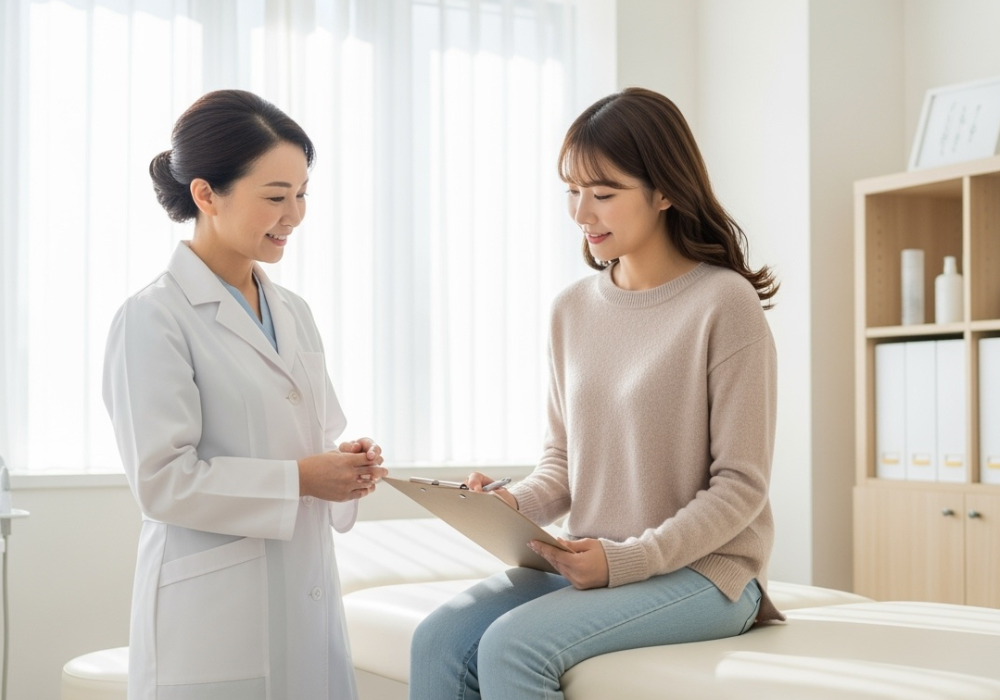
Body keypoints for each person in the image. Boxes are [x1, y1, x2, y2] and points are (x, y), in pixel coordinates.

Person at [409, 87, 782, 700]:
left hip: (706, 573)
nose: (582, 213)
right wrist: (511, 505)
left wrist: (627, 560)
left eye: (603, 194)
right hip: (592, 562)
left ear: (665, 191)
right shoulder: (572, 309)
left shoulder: (725, 304)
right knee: (438, 641)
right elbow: (562, 463)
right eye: (573, 192)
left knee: (513, 646)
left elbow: (742, 486)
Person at [102, 89, 387, 700]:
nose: (295, 214)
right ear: (206, 195)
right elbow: (162, 481)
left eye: (303, 194)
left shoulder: (293, 310)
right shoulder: (153, 318)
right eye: (276, 197)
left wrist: (344, 462)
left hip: (305, 597)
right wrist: (303, 480)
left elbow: (309, 437)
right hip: (213, 615)